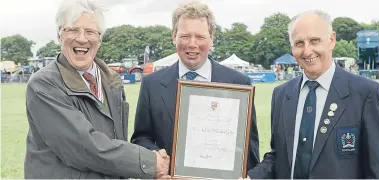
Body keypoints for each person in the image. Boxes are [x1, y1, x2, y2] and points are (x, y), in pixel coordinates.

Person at [24, 0, 170, 179]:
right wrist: (149, 162)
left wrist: (150, 169)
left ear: (100, 39)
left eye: (90, 31)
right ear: (59, 35)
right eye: (73, 30)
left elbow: (115, 145)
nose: (82, 38)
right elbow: (83, 147)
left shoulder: (112, 81)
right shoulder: (43, 84)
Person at [247, 10, 379, 179]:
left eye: (314, 41)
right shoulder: (281, 94)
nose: (307, 51)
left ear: (331, 40)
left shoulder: (365, 93)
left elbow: (377, 171)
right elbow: (279, 157)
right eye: (299, 43)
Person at [130, 0, 260, 172]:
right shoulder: (151, 84)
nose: (192, 43)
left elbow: (249, 149)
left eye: (200, 36)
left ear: (211, 38)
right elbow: (141, 138)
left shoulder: (238, 84)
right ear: (174, 36)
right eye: (185, 36)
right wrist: (157, 157)